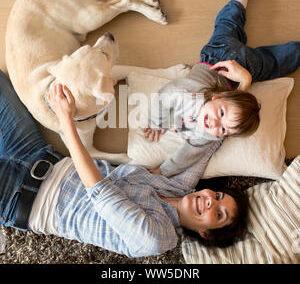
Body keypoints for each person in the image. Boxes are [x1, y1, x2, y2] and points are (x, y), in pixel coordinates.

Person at [0, 70, 248, 257]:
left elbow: (99, 190)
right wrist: (243, 87)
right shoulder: (181, 186)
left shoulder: (157, 238)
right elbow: (214, 137)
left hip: (20, 199)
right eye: (216, 195)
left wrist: (66, 119)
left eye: (217, 213)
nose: (209, 201)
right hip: (40, 156)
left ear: (205, 232)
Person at [144, 0, 300, 178]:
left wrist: (162, 165)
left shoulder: (202, 117)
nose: (216, 124)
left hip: (231, 64)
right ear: (217, 96)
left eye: (223, 124)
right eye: (223, 121)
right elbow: (168, 98)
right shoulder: (197, 112)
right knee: (230, 22)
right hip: (222, 57)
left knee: (272, 57)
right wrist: (157, 125)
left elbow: (187, 150)